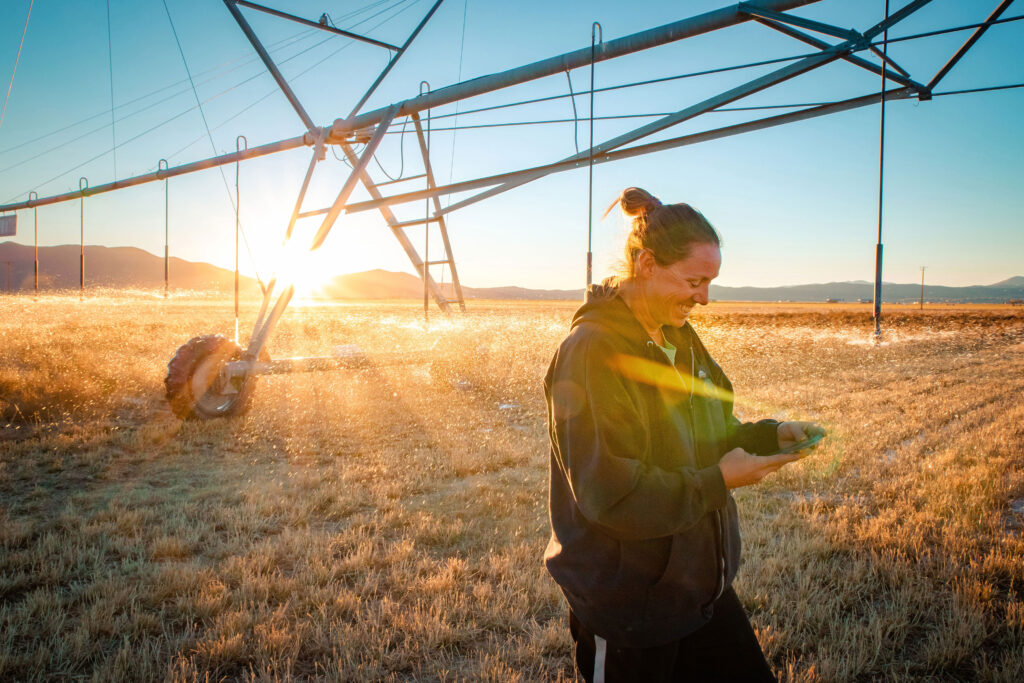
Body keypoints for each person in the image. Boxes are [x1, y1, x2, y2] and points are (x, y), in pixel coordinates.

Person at [544, 187, 823, 682]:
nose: (705, 298)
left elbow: (704, 432)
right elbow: (610, 494)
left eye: (710, 282)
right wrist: (718, 481)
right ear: (647, 264)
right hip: (631, 605)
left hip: (698, 588)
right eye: (694, 281)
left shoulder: (678, 338)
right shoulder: (593, 352)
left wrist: (767, 436)